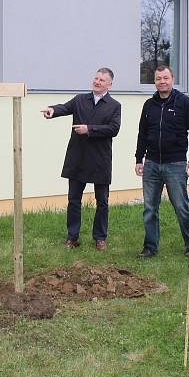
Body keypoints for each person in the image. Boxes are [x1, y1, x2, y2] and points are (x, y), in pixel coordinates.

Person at [41, 68, 121, 250]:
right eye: (96, 78)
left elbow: (114, 129)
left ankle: (100, 238)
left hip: (100, 160)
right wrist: (52, 110)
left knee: (102, 202)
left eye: (102, 80)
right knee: (74, 200)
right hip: (78, 157)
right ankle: (72, 237)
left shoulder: (114, 105)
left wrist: (89, 129)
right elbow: (65, 107)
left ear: (109, 84)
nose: (97, 81)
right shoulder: (80, 100)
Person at [135, 65, 189, 258]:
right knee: (150, 208)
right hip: (152, 164)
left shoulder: (185, 102)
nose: (162, 82)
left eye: (165, 78)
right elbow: (142, 134)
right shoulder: (149, 105)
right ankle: (150, 247)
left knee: (181, 207)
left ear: (172, 79)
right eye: (158, 79)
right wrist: (139, 159)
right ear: (154, 81)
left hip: (176, 164)